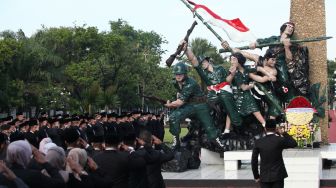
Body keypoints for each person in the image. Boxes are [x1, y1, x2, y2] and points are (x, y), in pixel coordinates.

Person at [182, 40, 242, 134]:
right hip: (212, 95)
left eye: (204, 62)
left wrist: (232, 74)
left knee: (229, 104)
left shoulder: (220, 69)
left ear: (208, 61)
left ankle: (231, 128)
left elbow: (228, 80)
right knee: (205, 107)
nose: (202, 64)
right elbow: (193, 60)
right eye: (201, 63)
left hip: (225, 92)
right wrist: (186, 49)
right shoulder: (203, 73)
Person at [165, 62, 224, 150]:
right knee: (174, 117)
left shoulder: (190, 83)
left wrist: (170, 104)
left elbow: (180, 102)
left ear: (185, 73)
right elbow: (180, 94)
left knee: (209, 128)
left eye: (180, 74)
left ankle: (219, 143)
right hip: (189, 105)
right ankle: (176, 141)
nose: (178, 76)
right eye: (176, 74)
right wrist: (175, 100)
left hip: (201, 106)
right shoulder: (175, 82)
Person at [250, 22, 309, 101]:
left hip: (280, 63)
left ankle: (289, 99)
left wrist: (286, 47)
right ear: (283, 27)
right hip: (267, 61)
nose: (291, 28)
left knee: (285, 80)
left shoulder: (292, 42)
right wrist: (255, 44)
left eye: (292, 27)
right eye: (289, 26)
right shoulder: (274, 39)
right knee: (253, 67)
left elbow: (289, 58)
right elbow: (263, 41)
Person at [228, 44, 283, 119]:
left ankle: (271, 122)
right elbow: (245, 53)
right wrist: (231, 48)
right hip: (246, 83)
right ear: (266, 59)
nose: (274, 62)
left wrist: (249, 74)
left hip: (262, 87)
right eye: (272, 60)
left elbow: (262, 80)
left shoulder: (273, 71)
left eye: (275, 60)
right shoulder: (258, 59)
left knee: (275, 103)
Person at [251, 119, 297, 188]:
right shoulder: (280, 140)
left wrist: (256, 176)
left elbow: (254, 161)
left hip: (264, 176)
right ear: (276, 129)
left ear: (265, 128)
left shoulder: (258, 142)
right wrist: (283, 133)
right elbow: (294, 144)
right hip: (278, 176)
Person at [229, 52, 266, 127]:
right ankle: (227, 131)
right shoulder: (234, 72)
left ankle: (266, 126)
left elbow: (258, 68)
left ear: (239, 60)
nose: (232, 61)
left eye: (234, 59)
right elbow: (243, 87)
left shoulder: (246, 69)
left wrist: (269, 75)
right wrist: (250, 86)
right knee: (231, 112)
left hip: (247, 95)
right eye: (231, 60)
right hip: (237, 96)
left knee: (255, 110)